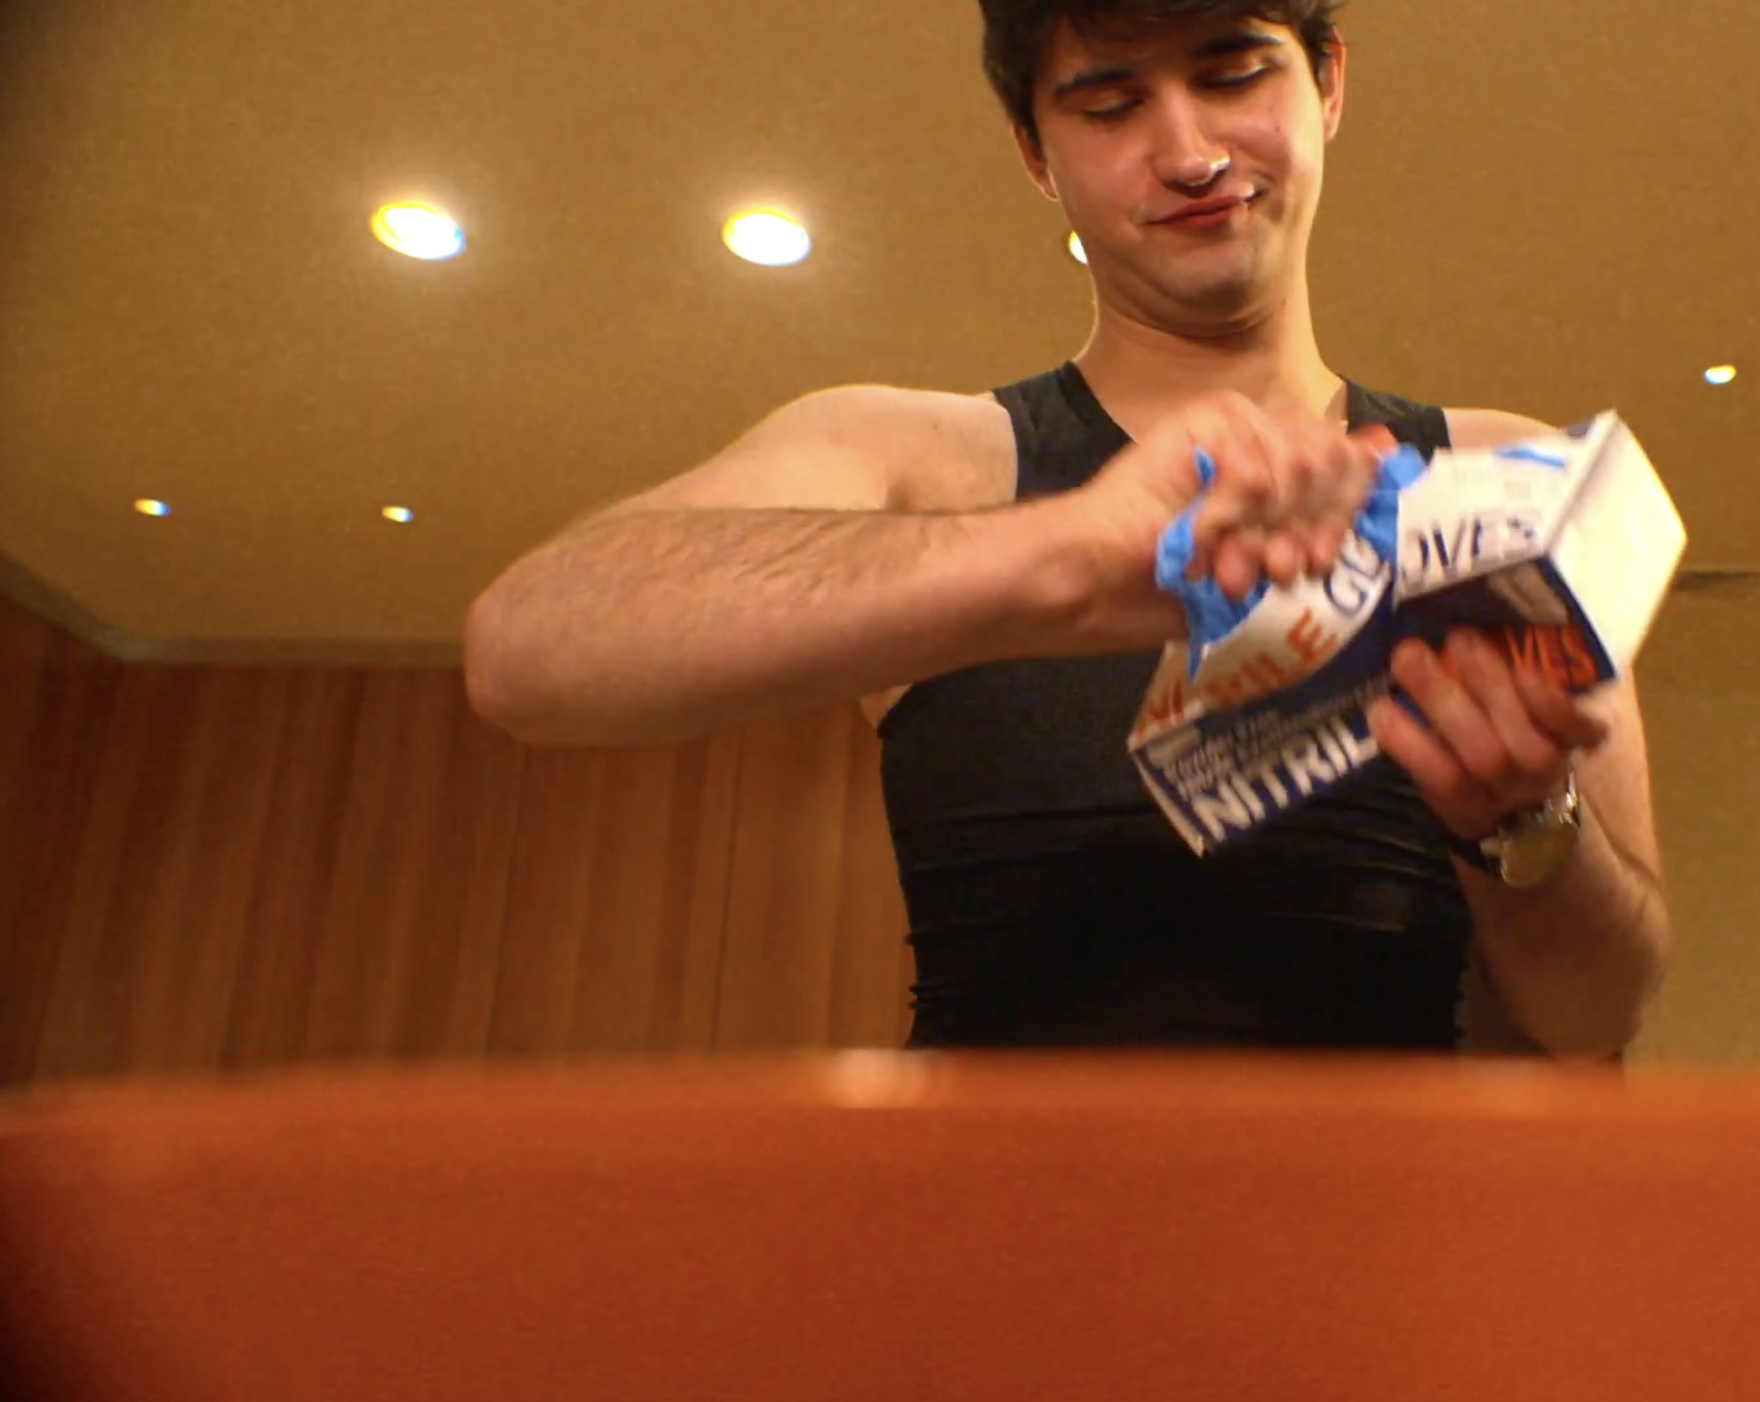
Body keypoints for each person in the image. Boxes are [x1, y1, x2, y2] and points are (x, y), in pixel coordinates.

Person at [462, 0, 1670, 1061]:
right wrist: (1073, 555)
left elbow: (1595, 1013)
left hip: (1379, 1266)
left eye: (1234, 71)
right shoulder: (916, 458)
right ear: (1038, 156)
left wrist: (1525, 821)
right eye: (1110, 103)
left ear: (1329, 82)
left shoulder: (1502, 479)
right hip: (980, 1266)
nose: (1190, 153)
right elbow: (527, 644)